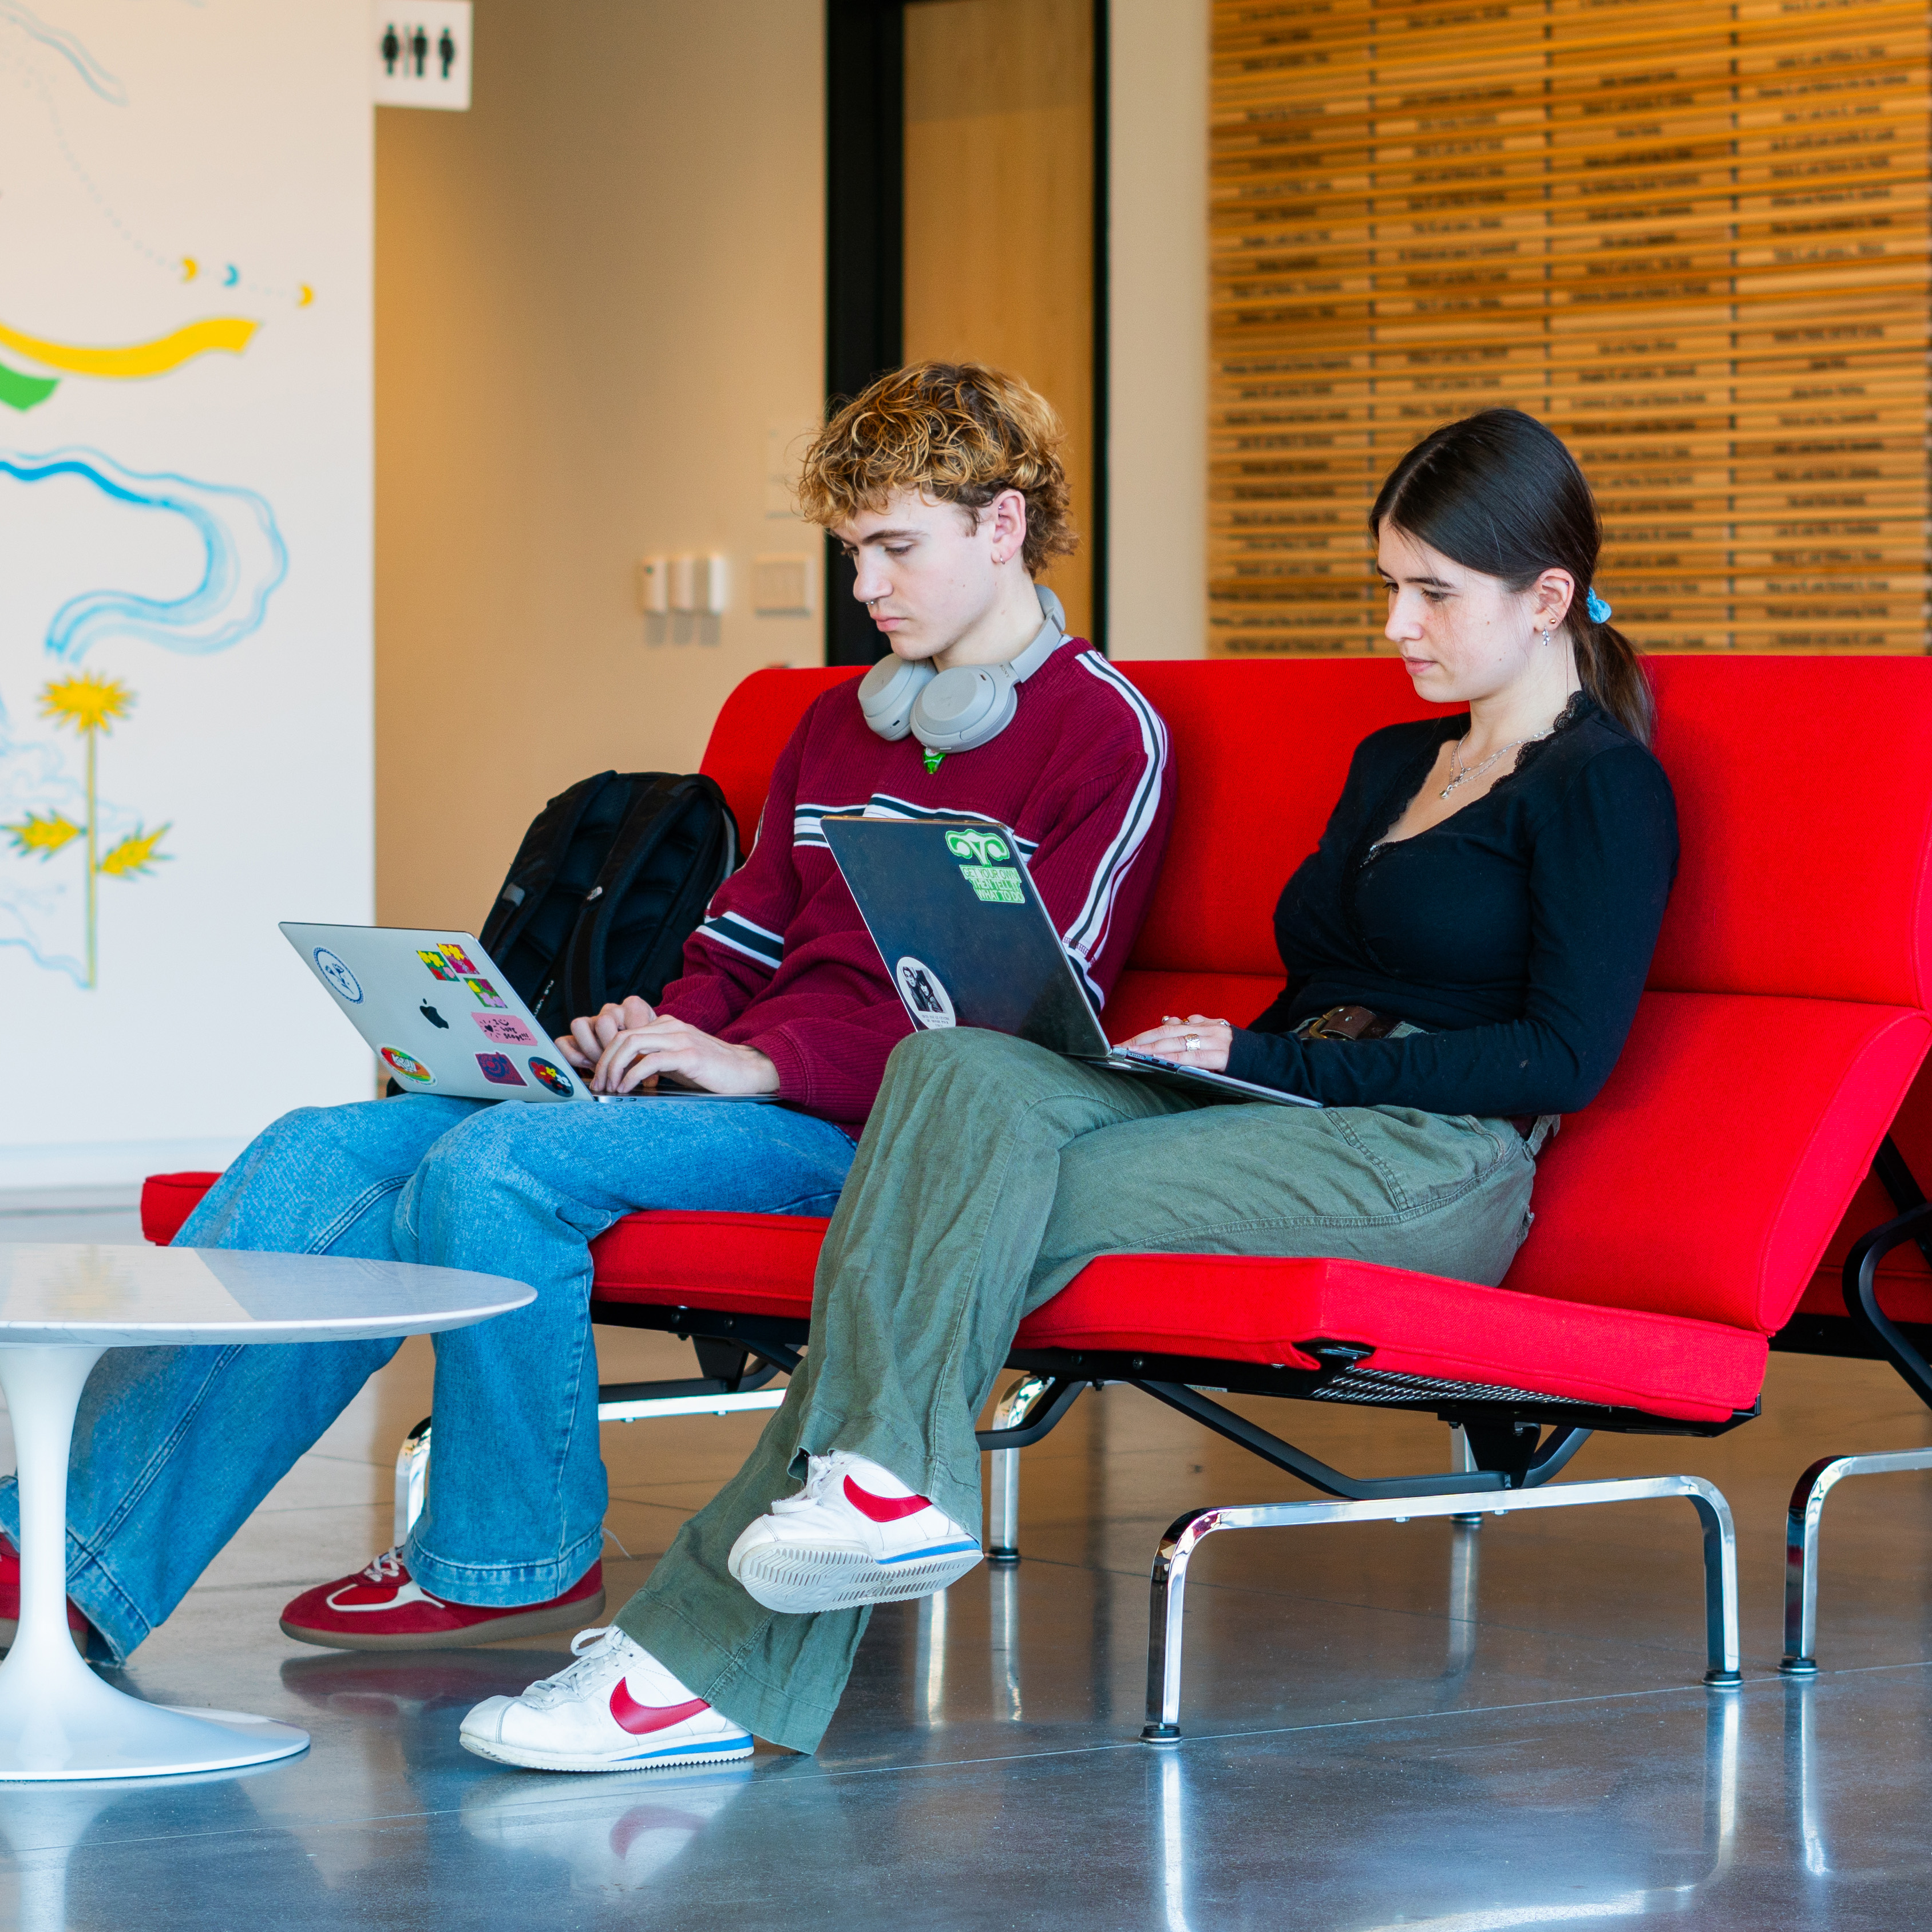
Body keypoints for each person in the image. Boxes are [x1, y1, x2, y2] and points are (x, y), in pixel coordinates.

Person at [457, 406, 1681, 1773]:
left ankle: (696, 1657)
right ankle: (879, 1495)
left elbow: (1559, 1057)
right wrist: (1176, 1068)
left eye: (1430, 593)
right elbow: (1327, 970)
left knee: (950, 1203)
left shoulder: (1599, 788)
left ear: (1548, 598)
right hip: (1271, 1108)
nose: (1395, 624)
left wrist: (1268, 1062)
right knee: (956, 1070)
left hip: (1424, 1156)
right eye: (1386, 585)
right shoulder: (1395, 760)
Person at [0, 362, 1174, 1662]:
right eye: (852, 553)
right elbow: (739, 929)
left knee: (497, 1163)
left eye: (894, 549)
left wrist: (757, 1062)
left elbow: (1020, 1021)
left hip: (879, 1133)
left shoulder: (1104, 733)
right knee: (318, 1144)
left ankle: (509, 1555)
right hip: (734, 1089)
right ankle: (57, 1552)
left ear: (1001, 525)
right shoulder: (836, 724)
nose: (866, 588)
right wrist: (648, 1035)